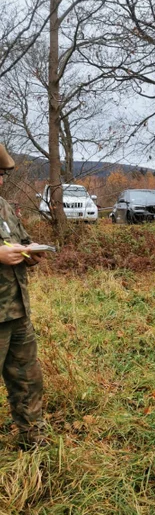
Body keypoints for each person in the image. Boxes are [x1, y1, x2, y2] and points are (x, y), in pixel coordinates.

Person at [0, 144, 46, 449]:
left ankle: (33, 441)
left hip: (16, 310)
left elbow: (22, 240)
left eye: (2, 174)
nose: (1, 180)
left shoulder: (4, 207)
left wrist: (31, 252)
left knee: (28, 379)